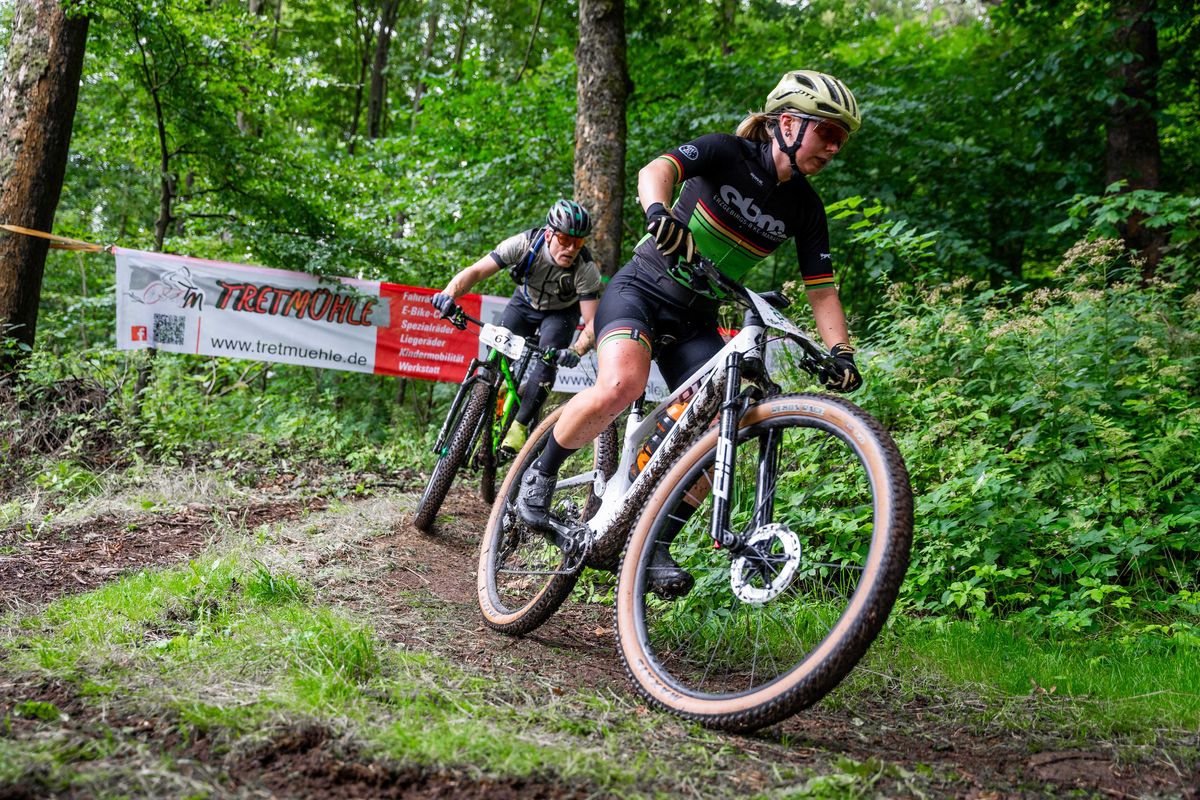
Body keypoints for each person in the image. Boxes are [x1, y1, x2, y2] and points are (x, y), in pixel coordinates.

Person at [515, 70, 865, 598]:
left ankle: (653, 544)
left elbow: (822, 290)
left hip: (695, 318)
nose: (835, 147)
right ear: (789, 125)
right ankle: (537, 479)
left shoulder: (805, 207)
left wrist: (841, 351)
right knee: (622, 385)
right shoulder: (727, 152)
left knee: (720, 427)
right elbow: (656, 170)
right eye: (828, 132)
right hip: (641, 289)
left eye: (842, 139)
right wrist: (659, 213)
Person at [431, 199, 602, 455]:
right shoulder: (524, 244)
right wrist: (448, 294)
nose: (571, 248)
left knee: (548, 358)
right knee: (495, 355)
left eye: (578, 243)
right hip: (524, 303)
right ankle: (491, 398)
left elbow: (592, 322)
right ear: (549, 234)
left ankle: (520, 425)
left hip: (561, 313)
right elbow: (476, 271)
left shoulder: (585, 269)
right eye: (565, 239)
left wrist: (575, 350)